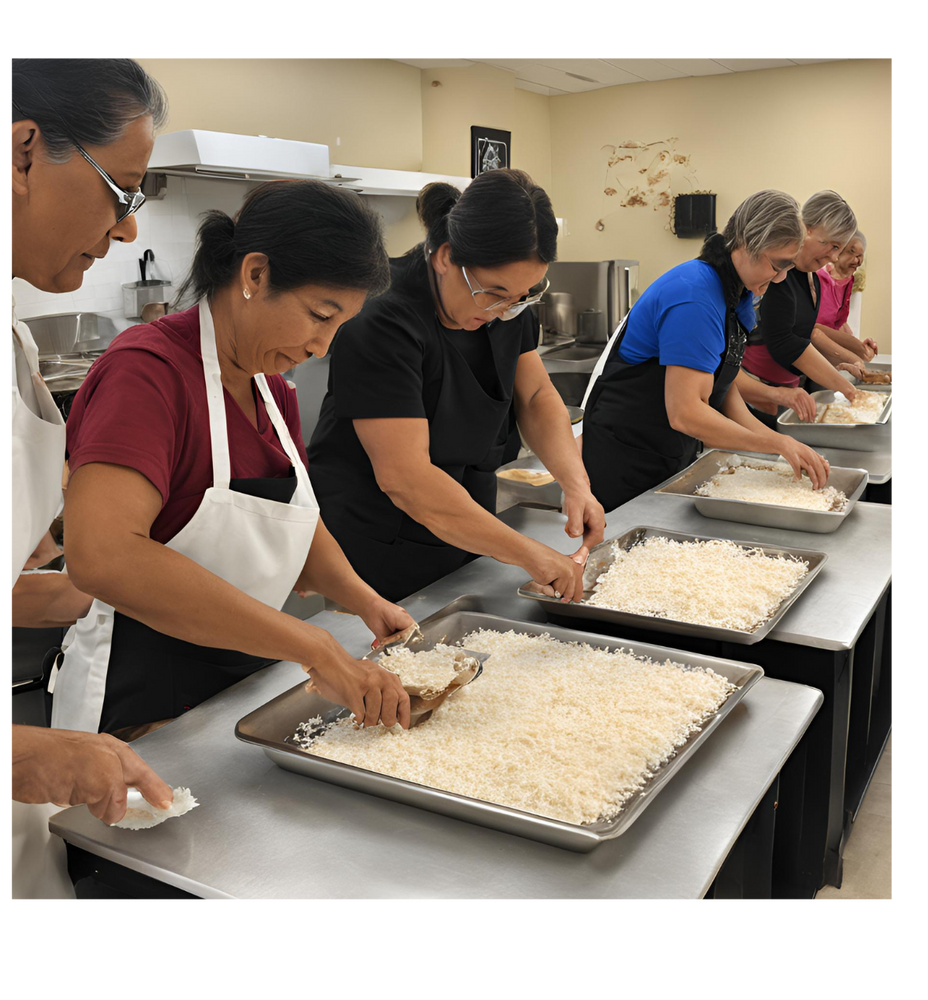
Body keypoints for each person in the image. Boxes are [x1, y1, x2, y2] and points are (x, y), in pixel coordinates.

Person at [55, 180, 413, 740]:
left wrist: (364, 600)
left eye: (338, 326)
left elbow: (290, 528)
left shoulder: (274, 390)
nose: (323, 347)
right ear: (254, 274)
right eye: (320, 315)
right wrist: (314, 647)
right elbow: (102, 555)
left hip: (242, 690)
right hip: (141, 708)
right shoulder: (148, 372)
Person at [9, 53, 173, 901]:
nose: (128, 231)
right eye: (124, 192)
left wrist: (40, 591)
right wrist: (25, 750)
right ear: (24, 152)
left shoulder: (17, 341)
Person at [307, 171, 605, 603]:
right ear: (446, 256)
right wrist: (528, 554)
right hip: (381, 536)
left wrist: (576, 485)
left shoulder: (506, 305)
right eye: (493, 293)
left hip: (468, 520)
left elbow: (537, 397)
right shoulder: (382, 319)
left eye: (521, 296)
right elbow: (405, 478)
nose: (504, 309)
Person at [582, 190, 830, 512]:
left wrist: (781, 445)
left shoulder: (735, 293)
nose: (781, 278)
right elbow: (686, 412)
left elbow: (722, 390)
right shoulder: (695, 296)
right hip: (627, 458)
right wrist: (775, 443)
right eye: (777, 265)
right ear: (747, 243)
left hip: (666, 451)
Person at [740, 190, 864, 397]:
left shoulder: (812, 278)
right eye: (833, 245)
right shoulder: (777, 274)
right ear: (806, 230)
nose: (834, 257)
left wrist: (843, 363)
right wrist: (847, 389)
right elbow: (784, 342)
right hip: (758, 390)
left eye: (839, 249)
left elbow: (807, 335)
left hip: (790, 388)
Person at [814, 231, 878, 371]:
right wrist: (855, 352)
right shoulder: (817, 277)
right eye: (852, 252)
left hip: (826, 354)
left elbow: (838, 324)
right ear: (836, 252)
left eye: (860, 255)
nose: (857, 260)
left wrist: (860, 346)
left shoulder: (848, 282)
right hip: (811, 353)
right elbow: (814, 330)